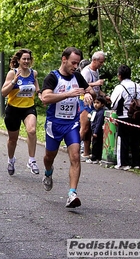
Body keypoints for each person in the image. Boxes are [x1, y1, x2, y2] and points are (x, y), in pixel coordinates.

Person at [40, 47, 95, 208]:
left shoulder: (77, 76)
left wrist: (88, 94)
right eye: (73, 63)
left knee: (76, 156)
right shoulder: (52, 77)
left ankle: (72, 194)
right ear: (64, 59)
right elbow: (45, 97)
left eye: (77, 63)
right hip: (54, 124)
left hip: (71, 124)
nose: (76, 66)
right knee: (49, 157)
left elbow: (89, 90)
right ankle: (48, 172)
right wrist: (68, 94)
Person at [1, 48, 41, 176]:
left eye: (28, 59)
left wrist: (40, 94)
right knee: (13, 139)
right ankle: (11, 160)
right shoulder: (12, 73)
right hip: (13, 109)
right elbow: (3, 92)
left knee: (32, 130)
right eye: (24, 59)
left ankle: (32, 160)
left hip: (28, 108)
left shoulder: (33, 73)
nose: (26, 61)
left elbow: (36, 86)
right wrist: (13, 82)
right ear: (18, 60)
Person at [110, 64, 140, 170]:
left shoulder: (120, 87)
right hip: (136, 117)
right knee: (135, 140)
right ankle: (136, 163)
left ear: (119, 75)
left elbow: (113, 104)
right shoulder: (137, 86)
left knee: (123, 140)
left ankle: (123, 163)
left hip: (124, 116)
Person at [79, 51, 109, 161]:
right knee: (85, 127)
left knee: (90, 128)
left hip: (94, 102)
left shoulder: (96, 71)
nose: (102, 64)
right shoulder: (86, 71)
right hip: (85, 102)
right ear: (94, 60)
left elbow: (98, 90)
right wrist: (96, 83)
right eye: (101, 62)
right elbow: (81, 86)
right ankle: (74, 148)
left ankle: (86, 152)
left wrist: (105, 96)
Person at [86, 95, 107, 164]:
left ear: (102, 104)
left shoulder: (101, 112)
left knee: (96, 144)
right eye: (94, 102)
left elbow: (99, 123)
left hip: (98, 131)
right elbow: (93, 120)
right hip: (94, 129)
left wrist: (95, 132)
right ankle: (97, 157)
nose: (95, 104)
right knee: (96, 144)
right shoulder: (95, 111)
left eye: (98, 103)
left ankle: (94, 158)